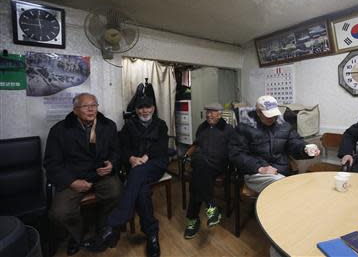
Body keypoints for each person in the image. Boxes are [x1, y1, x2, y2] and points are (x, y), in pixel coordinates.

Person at [44, 93, 122, 256]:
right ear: (75, 110)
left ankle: (103, 229)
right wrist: (72, 182)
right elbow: (51, 164)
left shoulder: (108, 126)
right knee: (59, 213)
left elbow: (116, 151)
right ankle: (77, 235)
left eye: (94, 105)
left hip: (100, 175)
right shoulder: (60, 130)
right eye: (86, 106)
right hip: (73, 178)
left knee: (116, 192)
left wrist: (112, 164)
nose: (91, 109)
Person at [90, 95, 168, 257]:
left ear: (153, 108)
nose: (144, 110)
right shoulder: (129, 126)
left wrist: (145, 158)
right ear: (136, 110)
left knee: (137, 173)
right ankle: (152, 234)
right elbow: (122, 148)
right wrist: (131, 158)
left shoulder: (161, 125)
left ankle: (114, 222)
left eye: (148, 107)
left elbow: (161, 147)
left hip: (155, 163)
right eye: (141, 108)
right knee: (142, 191)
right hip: (135, 164)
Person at [229, 95, 320, 193]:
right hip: (255, 172)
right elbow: (236, 154)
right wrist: (259, 168)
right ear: (258, 112)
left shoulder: (284, 126)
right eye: (268, 115)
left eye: (274, 114)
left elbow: (294, 143)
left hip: (281, 171)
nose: (272, 118)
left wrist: (305, 149)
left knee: (299, 186)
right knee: (282, 186)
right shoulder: (244, 127)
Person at [184, 103, 235, 239]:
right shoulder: (202, 127)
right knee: (199, 167)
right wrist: (188, 154)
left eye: (212, 112)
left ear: (220, 114)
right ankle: (212, 206)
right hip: (202, 165)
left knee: (197, 176)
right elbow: (196, 144)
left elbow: (233, 150)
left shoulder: (228, 129)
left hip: (217, 164)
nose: (208, 115)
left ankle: (193, 220)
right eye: (207, 112)